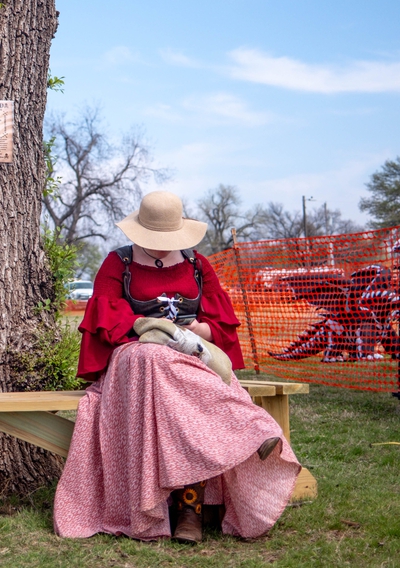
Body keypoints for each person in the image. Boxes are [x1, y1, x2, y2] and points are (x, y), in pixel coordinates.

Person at [54, 191, 301, 544]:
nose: (160, 246)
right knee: (154, 358)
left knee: (192, 383)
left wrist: (199, 331)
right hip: (134, 354)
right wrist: (150, 328)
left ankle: (191, 511)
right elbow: (108, 317)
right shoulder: (117, 264)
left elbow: (219, 323)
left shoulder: (198, 265)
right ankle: (247, 430)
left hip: (189, 352)